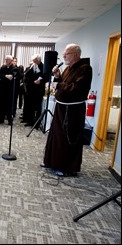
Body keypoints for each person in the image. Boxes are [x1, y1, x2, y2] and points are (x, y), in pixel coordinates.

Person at [42, 43, 92, 177]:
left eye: (67, 53)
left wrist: (59, 84)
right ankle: (50, 161)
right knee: (55, 134)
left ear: (76, 54)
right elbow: (62, 83)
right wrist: (58, 76)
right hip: (62, 107)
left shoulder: (85, 69)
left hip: (73, 110)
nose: (64, 56)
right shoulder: (68, 68)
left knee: (66, 137)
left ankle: (65, 167)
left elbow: (76, 88)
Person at [22, 54, 46, 127]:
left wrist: (40, 81)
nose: (33, 62)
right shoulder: (33, 66)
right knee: (30, 107)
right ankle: (30, 121)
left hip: (39, 90)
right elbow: (26, 75)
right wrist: (30, 68)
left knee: (38, 107)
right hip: (31, 89)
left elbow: (46, 77)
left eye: (35, 60)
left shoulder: (43, 66)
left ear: (38, 60)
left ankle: (37, 123)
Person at [0, 55, 19, 125]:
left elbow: (14, 77)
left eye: (7, 59)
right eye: (5, 59)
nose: (5, 61)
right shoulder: (3, 67)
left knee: (9, 106)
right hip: (2, 89)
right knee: (1, 105)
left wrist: (6, 76)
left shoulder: (14, 68)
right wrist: (6, 76)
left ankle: (9, 120)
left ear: (11, 61)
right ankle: (1, 119)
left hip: (10, 90)